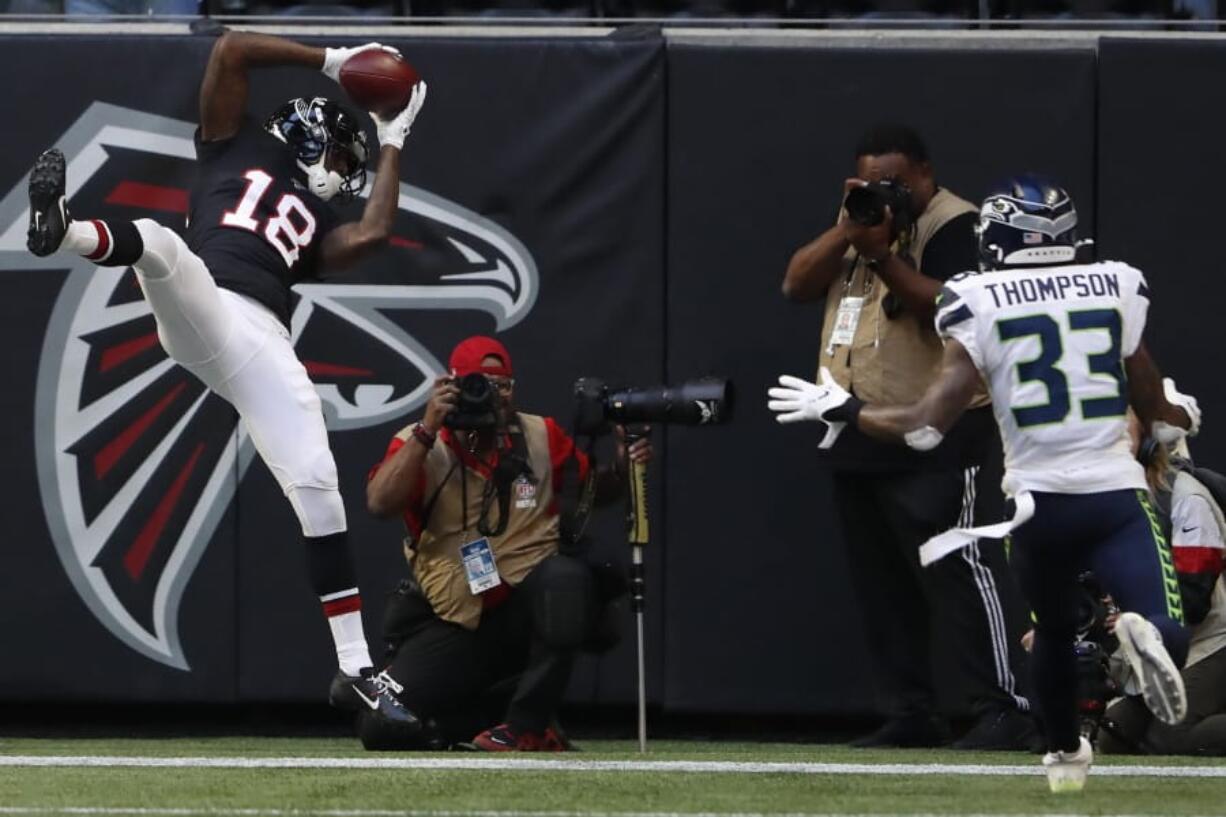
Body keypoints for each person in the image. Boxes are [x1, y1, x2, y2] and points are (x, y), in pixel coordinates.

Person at [25, 31, 428, 729]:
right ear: (309, 134)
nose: (344, 171)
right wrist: (332, 62)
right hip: (207, 302)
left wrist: (394, 139)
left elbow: (373, 234)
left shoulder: (321, 219)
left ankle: (357, 670)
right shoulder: (231, 141)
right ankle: (60, 230)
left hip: (263, 340)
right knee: (160, 244)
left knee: (316, 482)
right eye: (342, 154)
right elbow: (232, 49)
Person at [768, 174, 1200, 792]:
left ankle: (1063, 754)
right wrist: (1182, 412)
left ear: (996, 239)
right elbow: (1157, 412)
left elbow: (922, 428)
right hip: (1114, 495)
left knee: (1051, 632)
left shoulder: (978, 299)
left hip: (1034, 506)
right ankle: (1145, 636)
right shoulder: (1116, 284)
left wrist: (844, 409)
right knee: (1165, 626)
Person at [782, 124, 1032, 750]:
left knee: (958, 571)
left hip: (939, 429)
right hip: (852, 420)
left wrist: (882, 254)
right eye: (870, 183)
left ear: (924, 173)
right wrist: (850, 227)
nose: (884, 193)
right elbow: (796, 284)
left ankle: (1002, 707)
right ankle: (907, 710)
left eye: (894, 183)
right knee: (883, 585)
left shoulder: (956, 225)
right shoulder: (859, 221)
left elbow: (948, 307)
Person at [364, 336, 652, 751]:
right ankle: (487, 715)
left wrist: (623, 465)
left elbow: (593, 491)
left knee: (565, 578)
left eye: (504, 385)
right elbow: (379, 504)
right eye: (480, 385)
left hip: (526, 609)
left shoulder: (540, 435)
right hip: (457, 617)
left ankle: (526, 726)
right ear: (452, 386)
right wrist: (429, 428)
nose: (495, 396)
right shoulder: (421, 440)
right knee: (379, 725)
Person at [1094, 416, 1226, 755]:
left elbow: (1194, 600)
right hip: (1157, 646)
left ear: (1150, 444)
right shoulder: (1119, 500)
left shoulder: (1188, 500)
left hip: (1210, 642)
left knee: (1174, 740)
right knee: (1112, 737)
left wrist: (1137, 612)